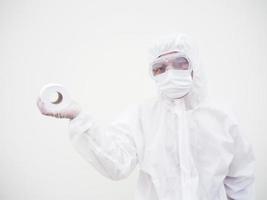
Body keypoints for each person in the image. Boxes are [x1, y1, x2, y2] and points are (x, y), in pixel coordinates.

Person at [37, 33, 255, 200]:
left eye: (180, 63)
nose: (170, 72)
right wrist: (79, 118)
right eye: (160, 67)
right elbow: (116, 164)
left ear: (194, 67)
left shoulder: (223, 118)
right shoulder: (141, 116)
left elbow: (241, 181)